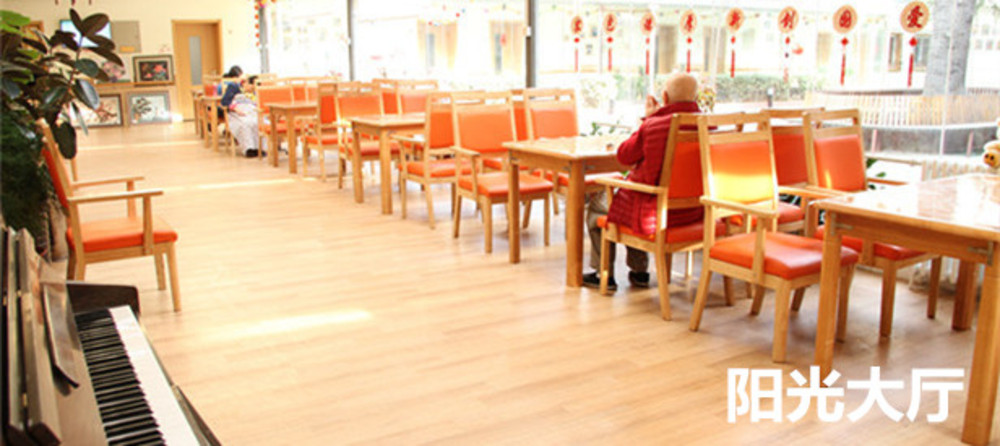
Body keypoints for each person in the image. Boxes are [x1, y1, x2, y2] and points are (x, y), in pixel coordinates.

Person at [582, 73, 703, 291]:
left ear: (665, 97)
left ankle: (604, 274)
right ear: (696, 97)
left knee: (599, 206)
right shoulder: (708, 126)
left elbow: (624, 156)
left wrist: (647, 119)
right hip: (694, 213)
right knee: (634, 198)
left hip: (656, 213)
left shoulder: (654, 126)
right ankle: (639, 272)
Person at [226, 75, 261, 157]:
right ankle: (249, 149)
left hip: (253, 112)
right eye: (248, 84)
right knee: (245, 123)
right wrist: (235, 109)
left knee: (256, 122)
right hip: (237, 113)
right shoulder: (234, 90)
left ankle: (259, 148)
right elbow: (227, 103)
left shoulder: (257, 94)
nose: (251, 86)